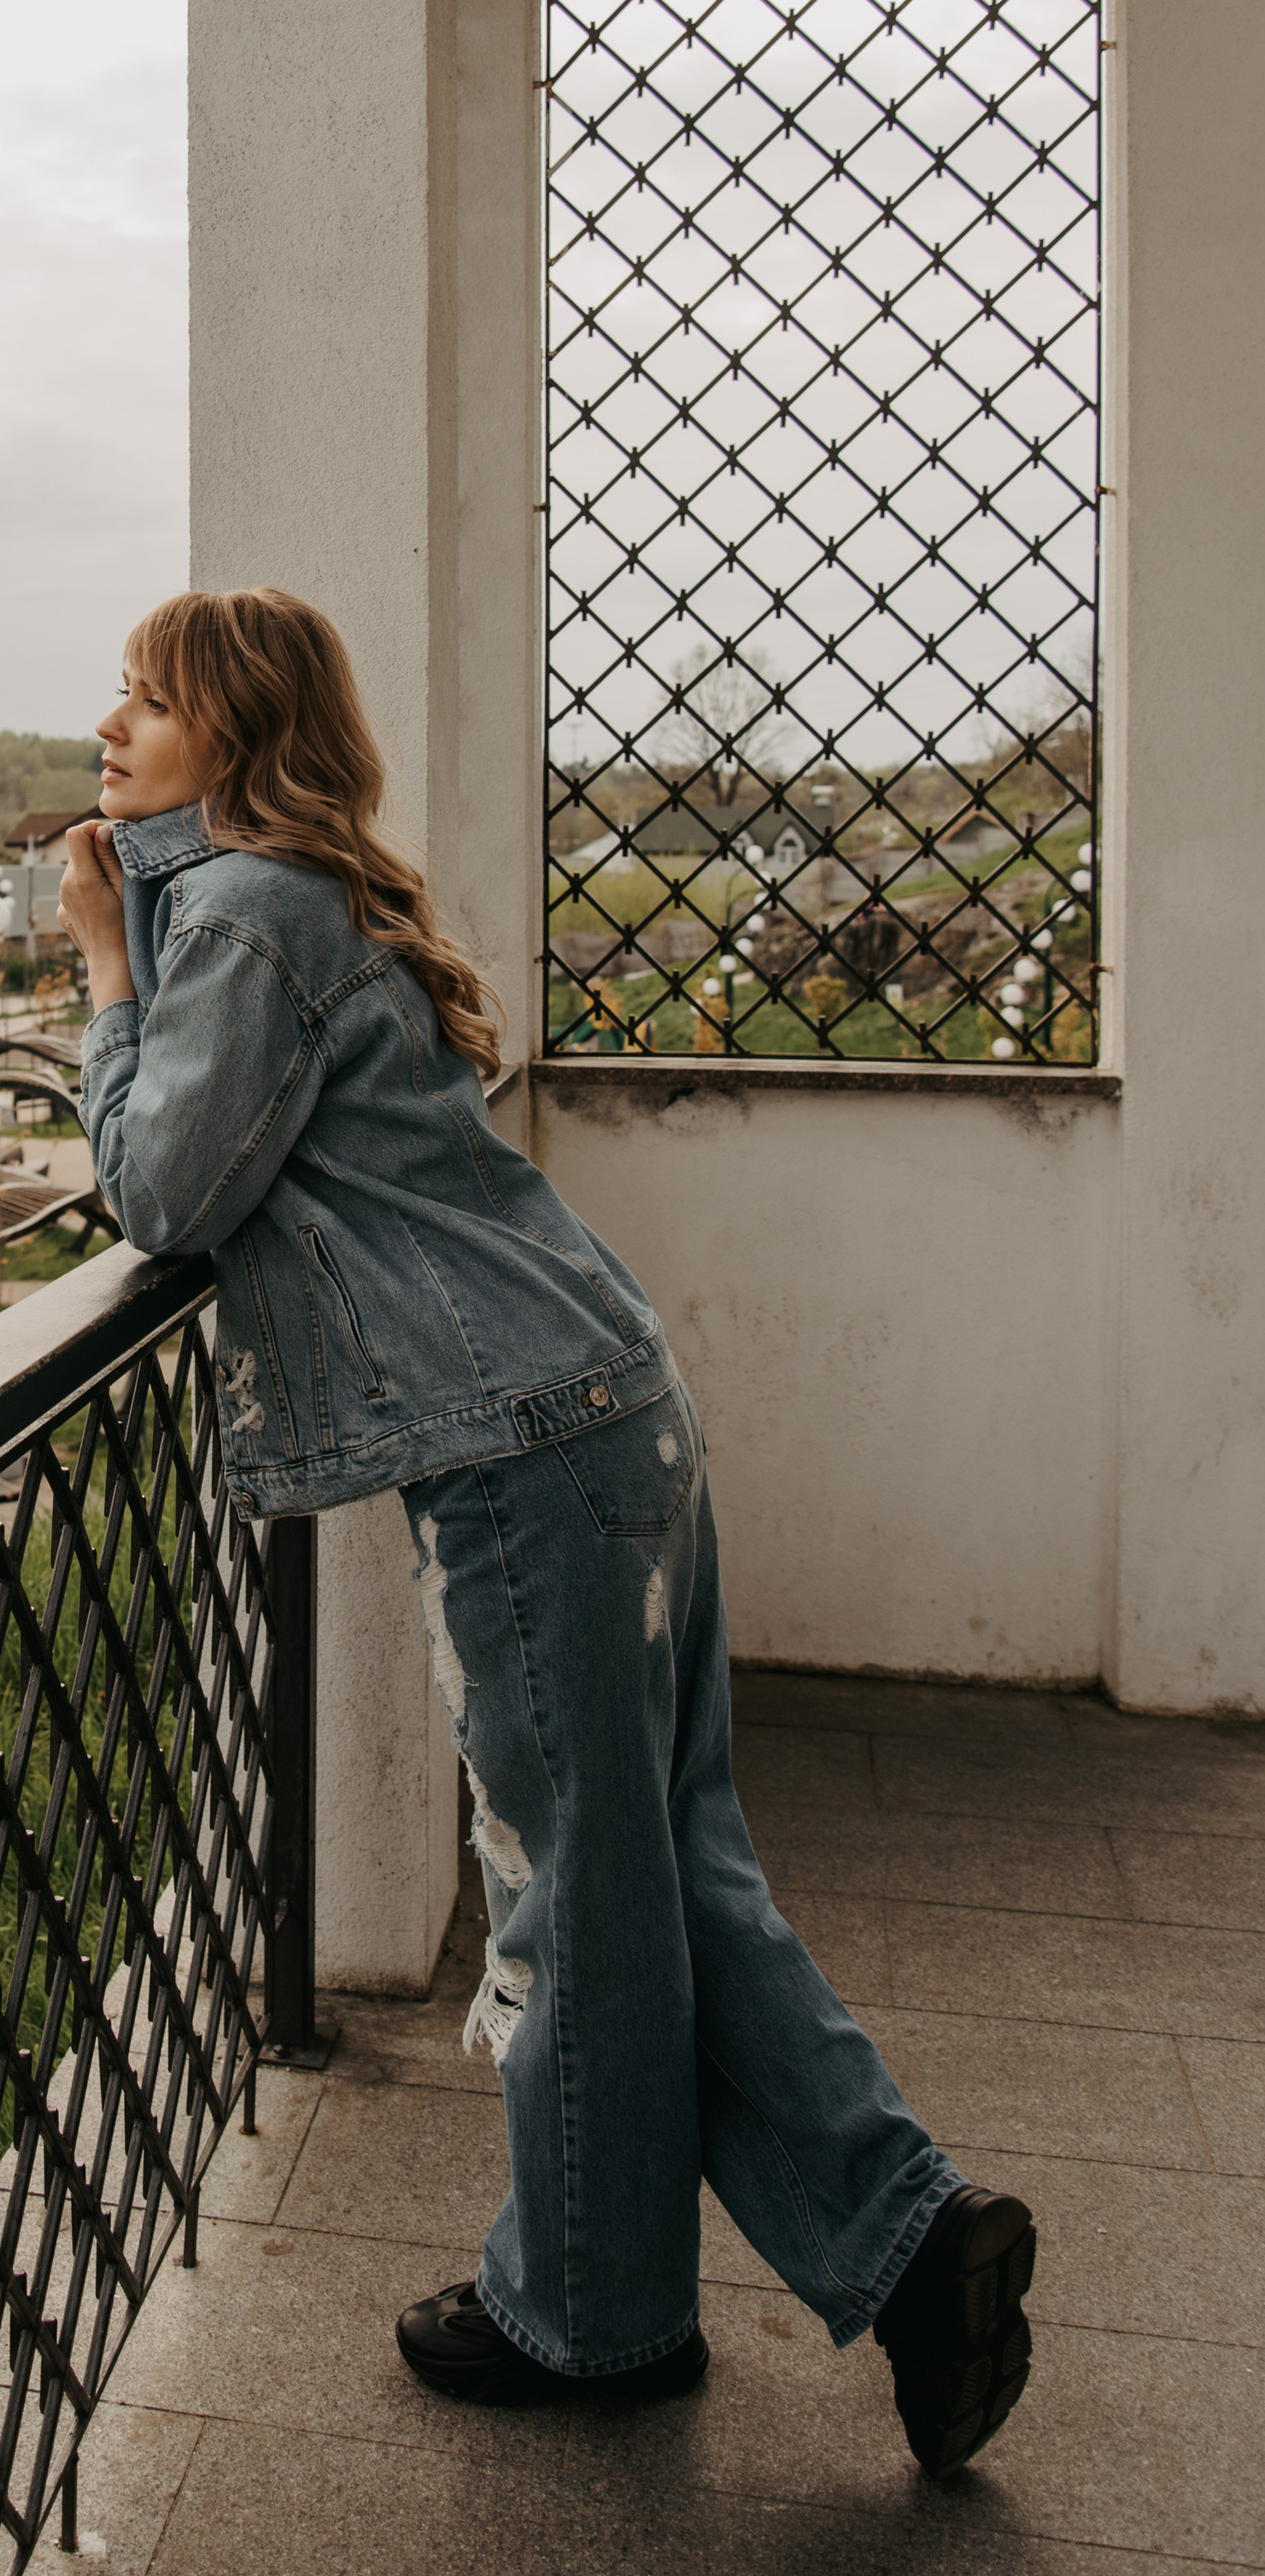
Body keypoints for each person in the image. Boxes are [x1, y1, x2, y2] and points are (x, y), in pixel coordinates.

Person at [56, 586, 1034, 2479]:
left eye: (145, 698)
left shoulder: (240, 913)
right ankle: (912, 2250)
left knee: (573, 1882)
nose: (111, 723)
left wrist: (104, 962)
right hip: (600, 1406)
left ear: (233, 730)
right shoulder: (291, 898)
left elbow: (161, 1186)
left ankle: (591, 2317)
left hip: (515, 1447)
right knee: (657, 1855)